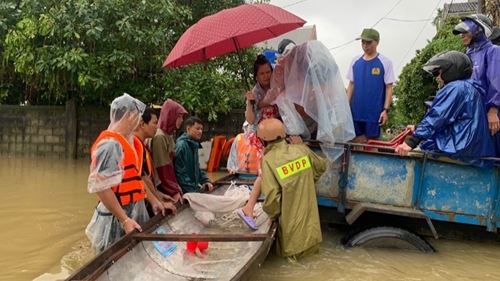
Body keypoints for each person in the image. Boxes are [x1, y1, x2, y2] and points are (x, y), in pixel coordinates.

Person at [85, 93, 165, 254]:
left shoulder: (130, 141)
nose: (139, 120)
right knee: (110, 257)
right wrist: (124, 220)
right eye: (137, 116)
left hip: (134, 209)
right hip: (115, 217)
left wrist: (153, 200)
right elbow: (102, 187)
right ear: (128, 115)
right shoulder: (109, 145)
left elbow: (136, 178)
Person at [395, 51, 495, 168]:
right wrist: (418, 129)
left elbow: (437, 117)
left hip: (457, 148)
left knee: (412, 156)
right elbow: (454, 122)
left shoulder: (455, 88)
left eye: (439, 72)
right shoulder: (471, 88)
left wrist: (412, 142)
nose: (438, 78)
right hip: (471, 149)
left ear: (451, 70)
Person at [257, 118, 327, 262]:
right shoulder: (301, 150)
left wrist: (271, 216)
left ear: (263, 140)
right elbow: (321, 166)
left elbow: (271, 198)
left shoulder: (268, 160)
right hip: (312, 234)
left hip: (292, 240)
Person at [453, 14, 500, 155]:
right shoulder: (468, 55)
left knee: (492, 158)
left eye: (466, 31)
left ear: (479, 30)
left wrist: (493, 111)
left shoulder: (493, 51)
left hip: (489, 117)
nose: (462, 35)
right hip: (472, 116)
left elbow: (495, 81)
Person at [346, 28, 396, 145]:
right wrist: (346, 106)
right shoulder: (355, 61)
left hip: (374, 112)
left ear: (377, 42)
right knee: (356, 141)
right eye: (363, 42)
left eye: (368, 42)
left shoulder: (385, 62)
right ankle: (355, 164)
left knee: (372, 143)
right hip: (356, 110)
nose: (365, 45)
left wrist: (385, 110)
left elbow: (389, 87)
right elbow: (351, 84)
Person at [133, 107, 177, 218]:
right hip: (136, 205)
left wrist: (159, 195)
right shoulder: (135, 147)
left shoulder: (141, 146)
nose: (157, 127)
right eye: (154, 123)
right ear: (143, 124)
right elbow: (143, 179)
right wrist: (157, 201)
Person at [149, 99, 187, 204]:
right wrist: (173, 191)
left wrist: (175, 187)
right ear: (171, 115)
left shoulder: (167, 136)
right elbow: (162, 169)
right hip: (160, 190)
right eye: (179, 116)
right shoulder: (160, 136)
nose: (182, 120)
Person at [174, 116, 214, 194]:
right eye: (197, 128)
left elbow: (197, 169)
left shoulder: (194, 144)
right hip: (185, 191)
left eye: (201, 129)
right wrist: (193, 190)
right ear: (188, 129)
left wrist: (205, 180)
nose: (200, 131)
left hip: (192, 188)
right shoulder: (181, 146)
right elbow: (180, 173)